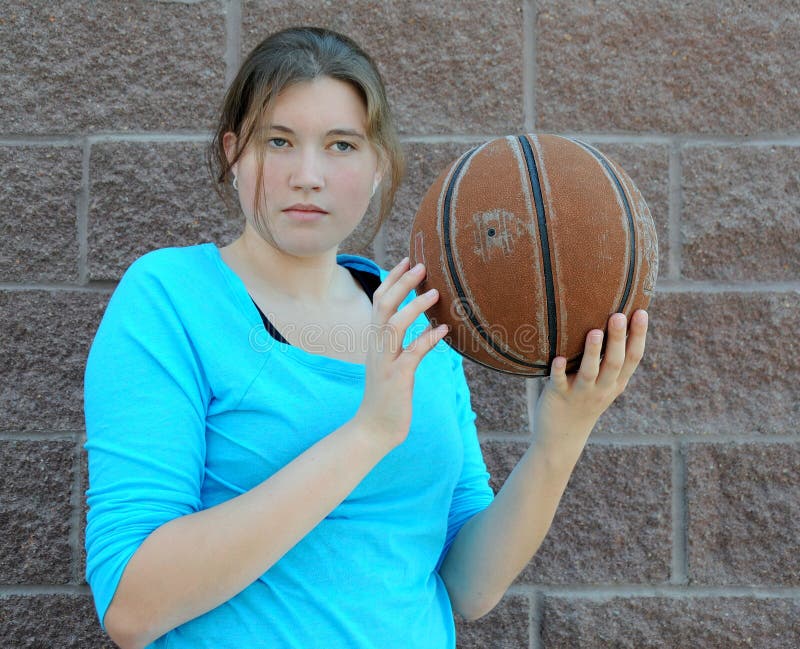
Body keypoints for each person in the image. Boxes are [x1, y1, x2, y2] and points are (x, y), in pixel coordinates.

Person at [83, 26, 649, 649]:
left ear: (379, 166)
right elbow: (132, 607)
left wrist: (557, 443)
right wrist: (368, 433)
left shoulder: (417, 314)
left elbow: (469, 585)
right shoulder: (170, 298)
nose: (308, 175)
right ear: (233, 155)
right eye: (278, 141)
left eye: (341, 145)